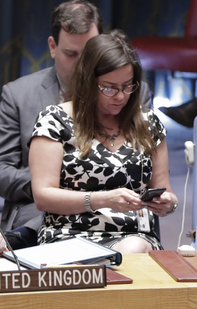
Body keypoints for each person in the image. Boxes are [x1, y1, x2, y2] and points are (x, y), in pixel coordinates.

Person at [28, 30, 177, 253]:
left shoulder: (148, 124)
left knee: (133, 248)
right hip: (68, 235)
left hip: (134, 235)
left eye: (128, 86)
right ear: (88, 82)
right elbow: (43, 196)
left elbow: (165, 191)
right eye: (109, 87)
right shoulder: (55, 121)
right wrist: (104, 199)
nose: (120, 96)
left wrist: (168, 203)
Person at [0, 0, 102, 235]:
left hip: (108, 206)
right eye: (71, 54)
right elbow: (2, 170)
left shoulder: (129, 93)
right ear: (53, 47)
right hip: (37, 211)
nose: (82, 65)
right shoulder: (17, 95)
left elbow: (147, 172)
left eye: (89, 53)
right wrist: (49, 184)